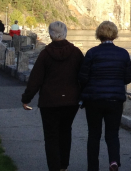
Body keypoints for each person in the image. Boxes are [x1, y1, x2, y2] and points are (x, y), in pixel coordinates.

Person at [21, 21, 83, 171]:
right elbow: (83, 76)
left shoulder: (45, 54)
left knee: (51, 136)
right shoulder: (76, 53)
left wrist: (26, 98)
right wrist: (83, 96)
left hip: (49, 101)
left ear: (50, 34)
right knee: (65, 131)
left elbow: (35, 79)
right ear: (66, 33)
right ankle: (63, 166)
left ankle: (54, 167)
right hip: (70, 101)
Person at [79, 21, 131, 171]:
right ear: (115, 34)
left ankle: (93, 166)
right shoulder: (123, 53)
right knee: (113, 133)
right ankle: (114, 161)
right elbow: (128, 78)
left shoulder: (91, 53)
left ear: (99, 34)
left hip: (94, 99)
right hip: (115, 99)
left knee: (94, 134)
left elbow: (83, 77)